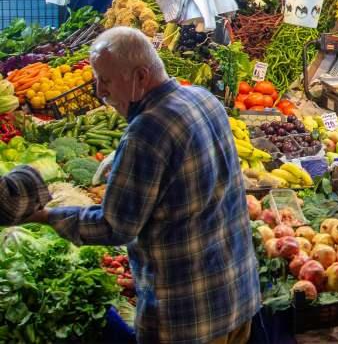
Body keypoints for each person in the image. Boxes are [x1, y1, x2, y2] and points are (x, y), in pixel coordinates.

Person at [26, 27, 260, 344]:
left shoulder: (147, 131)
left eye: (105, 80)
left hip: (189, 317)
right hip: (238, 295)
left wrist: (45, 216)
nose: (99, 91)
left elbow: (115, 227)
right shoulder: (203, 98)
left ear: (140, 76)